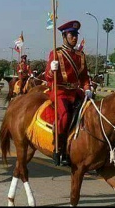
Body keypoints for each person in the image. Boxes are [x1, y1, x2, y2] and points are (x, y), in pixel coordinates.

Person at [45, 20, 92, 166]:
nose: (74, 38)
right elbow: (47, 76)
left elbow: (84, 76)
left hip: (76, 92)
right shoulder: (56, 53)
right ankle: (59, 149)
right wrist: (52, 69)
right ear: (64, 36)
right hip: (60, 91)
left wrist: (88, 88)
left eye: (76, 35)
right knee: (65, 116)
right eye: (71, 34)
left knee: (93, 111)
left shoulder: (80, 55)